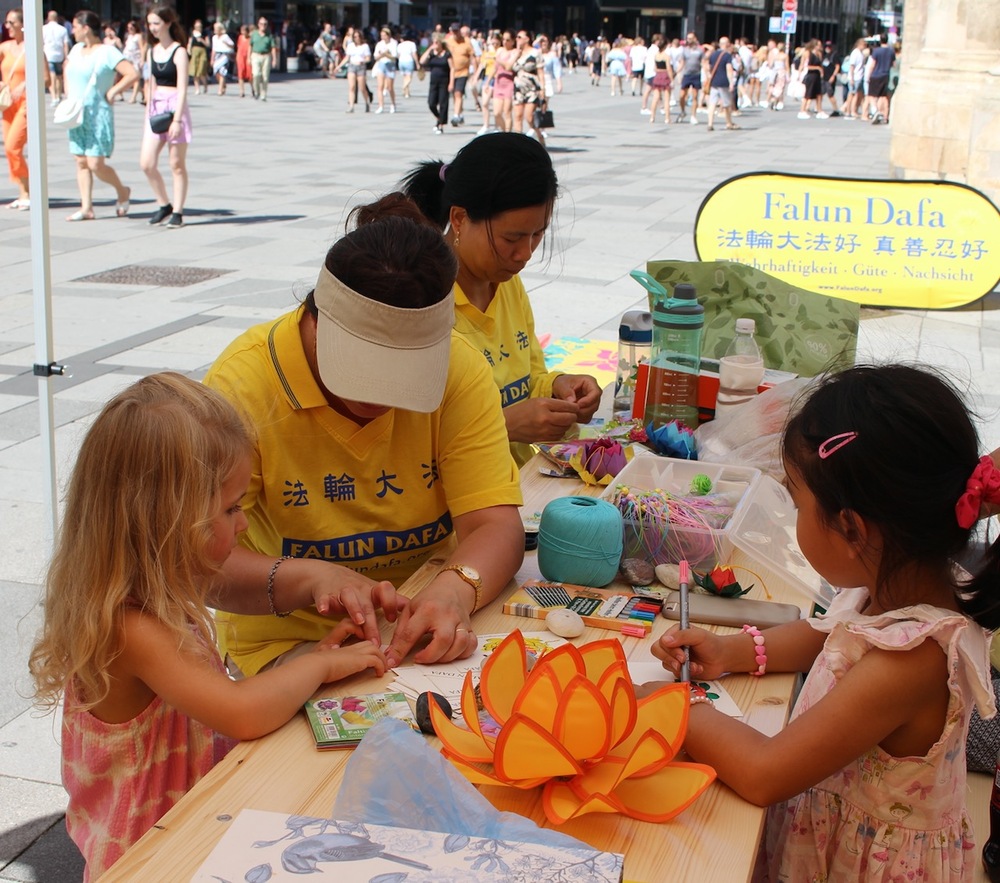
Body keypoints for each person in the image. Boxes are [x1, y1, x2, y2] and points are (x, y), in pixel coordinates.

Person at [28, 373, 388, 882]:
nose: (243, 524)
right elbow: (239, 712)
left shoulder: (157, 600)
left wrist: (310, 665)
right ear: (167, 520)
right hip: (151, 860)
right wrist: (321, 663)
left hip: (192, 824)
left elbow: (215, 699)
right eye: (230, 508)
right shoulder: (130, 628)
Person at [650, 364, 998, 881]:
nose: (793, 515)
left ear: (851, 527)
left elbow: (765, 773)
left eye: (796, 500)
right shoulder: (905, 585)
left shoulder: (911, 662)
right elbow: (829, 636)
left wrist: (674, 708)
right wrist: (731, 652)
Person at [203, 194, 524, 678]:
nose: (382, 400)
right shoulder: (241, 387)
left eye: (405, 379)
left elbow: (495, 526)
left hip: (423, 626)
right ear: (317, 319)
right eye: (364, 373)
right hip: (288, 641)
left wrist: (453, 590)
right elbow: (199, 565)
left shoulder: (460, 368)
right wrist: (312, 578)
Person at [402, 133, 601, 466]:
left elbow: (528, 379)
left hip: (517, 483)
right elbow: (402, 437)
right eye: (512, 237)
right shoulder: (419, 302)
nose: (525, 254)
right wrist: (503, 425)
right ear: (459, 219)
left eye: (538, 234)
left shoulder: (507, 283)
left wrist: (559, 388)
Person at [63, 11, 137, 222]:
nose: (73, 30)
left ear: (86, 28)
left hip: (98, 114)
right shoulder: (76, 50)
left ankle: (122, 191)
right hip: (77, 114)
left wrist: (113, 91)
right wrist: (68, 94)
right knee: (81, 161)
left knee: (96, 163)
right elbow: (67, 69)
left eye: (76, 26)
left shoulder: (107, 52)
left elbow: (131, 73)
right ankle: (86, 207)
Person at [141, 5, 190, 229]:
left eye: (157, 24)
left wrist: (178, 120)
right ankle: (164, 204)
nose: (153, 29)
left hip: (174, 108)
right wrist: (148, 110)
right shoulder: (152, 50)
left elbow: (182, 88)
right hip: (156, 109)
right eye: (150, 24)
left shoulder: (179, 51)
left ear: (168, 23)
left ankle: (178, 211)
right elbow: (150, 82)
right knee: (147, 163)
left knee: (176, 163)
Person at [0, 8, 28, 210]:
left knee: (12, 146)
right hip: (8, 104)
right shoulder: (5, 47)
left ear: (23, 24)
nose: (7, 26)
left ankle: (28, 191)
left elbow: (44, 77)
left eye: (12, 23)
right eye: (6, 23)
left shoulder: (33, 48)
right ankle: (23, 192)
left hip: (26, 104)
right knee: (10, 151)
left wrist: (24, 85)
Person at [511, 29, 545, 143]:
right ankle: (517, 142)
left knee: (529, 116)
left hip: (532, 87)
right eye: (516, 37)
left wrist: (542, 89)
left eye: (520, 37)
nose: (517, 39)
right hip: (518, 87)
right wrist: (516, 54)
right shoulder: (516, 53)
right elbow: (508, 67)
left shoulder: (535, 53)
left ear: (527, 39)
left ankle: (540, 136)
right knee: (517, 116)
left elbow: (540, 72)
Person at [420, 33, 452, 134]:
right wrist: (429, 49)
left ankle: (441, 125)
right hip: (433, 82)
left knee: (443, 103)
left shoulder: (447, 54)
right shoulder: (432, 54)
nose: (435, 44)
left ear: (441, 43)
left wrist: (451, 82)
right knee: (431, 103)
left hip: (444, 81)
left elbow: (453, 68)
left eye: (436, 42)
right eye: (433, 42)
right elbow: (422, 61)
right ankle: (439, 118)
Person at [335, 27, 371, 113]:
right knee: (351, 87)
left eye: (358, 36)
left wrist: (362, 61)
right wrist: (339, 66)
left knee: (362, 88)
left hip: (361, 67)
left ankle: (367, 102)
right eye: (355, 37)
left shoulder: (365, 46)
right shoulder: (351, 46)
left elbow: (368, 58)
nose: (357, 38)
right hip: (352, 66)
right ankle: (351, 106)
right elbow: (347, 57)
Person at [705, 36, 737, 131]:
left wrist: (709, 76)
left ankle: (710, 123)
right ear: (727, 44)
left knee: (712, 103)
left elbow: (708, 67)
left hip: (714, 81)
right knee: (727, 103)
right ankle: (728, 122)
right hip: (723, 82)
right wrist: (731, 82)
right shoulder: (727, 55)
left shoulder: (713, 54)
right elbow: (729, 69)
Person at [864, 33, 896, 125]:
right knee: (884, 96)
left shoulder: (876, 51)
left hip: (876, 75)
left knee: (872, 95)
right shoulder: (891, 51)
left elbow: (872, 64)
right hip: (885, 75)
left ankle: (875, 111)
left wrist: (868, 75)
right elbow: (893, 64)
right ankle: (886, 117)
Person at [444, 22, 471, 126]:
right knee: (455, 96)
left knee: (458, 93)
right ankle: (460, 113)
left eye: (457, 31)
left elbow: (472, 57)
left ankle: (455, 116)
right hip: (451, 72)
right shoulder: (447, 42)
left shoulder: (466, 42)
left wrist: (474, 72)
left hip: (463, 72)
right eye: (453, 31)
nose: (455, 33)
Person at [42, 10, 69, 106]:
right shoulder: (63, 29)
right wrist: (66, 57)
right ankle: (58, 95)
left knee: (51, 75)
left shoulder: (43, 28)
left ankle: (54, 96)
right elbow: (65, 44)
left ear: (48, 18)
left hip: (48, 54)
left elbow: (41, 42)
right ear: (57, 18)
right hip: (59, 55)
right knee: (59, 76)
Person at [676, 32, 704, 124]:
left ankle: (693, 116)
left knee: (695, 96)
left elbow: (703, 62)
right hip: (687, 74)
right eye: (688, 38)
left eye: (691, 38)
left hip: (696, 74)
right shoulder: (684, 50)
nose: (689, 40)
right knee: (682, 96)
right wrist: (676, 73)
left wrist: (707, 74)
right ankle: (683, 111)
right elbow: (682, 63)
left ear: (695, 39)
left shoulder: (700, 50)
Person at [491, 30, 516, 132]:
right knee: (496, 113)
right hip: (498, 83)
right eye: (504, 39)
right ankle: (504, 131)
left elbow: (509, 66)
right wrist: (488, 82)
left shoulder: (514, 52)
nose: (505, 42)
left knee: (507, 112)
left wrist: (498, 59)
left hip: (509, 83)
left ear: (513, 41)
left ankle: (508, 133)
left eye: (508, 40)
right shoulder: (500, 50)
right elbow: (494, 68)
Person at [249, 16, 278, 102]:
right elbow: (250, 46)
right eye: (261, 24)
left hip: (266, 56)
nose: (263, 26)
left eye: (265, 24)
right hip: (255, 55)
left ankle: (263, 94)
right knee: (256, 74)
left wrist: (274, 59)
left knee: (265, 77)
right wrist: (248, 57)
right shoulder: (254, 34)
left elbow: (273, 48)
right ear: (258, 24)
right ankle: (257, 91)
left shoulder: (269, 35)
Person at [646, 35, 671, 126]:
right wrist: (671, 79)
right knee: (666, 98)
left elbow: (655, 68)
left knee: (655, 97)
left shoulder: (656, 56)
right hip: (665, 76)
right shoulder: (666, 56)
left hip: (657, 76)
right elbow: (668, 68)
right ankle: (667, 118)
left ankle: (652, 117)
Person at [372, 26, 397, 114]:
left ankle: (393, 104)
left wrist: (386, 54)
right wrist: (383, 55)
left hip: (390, 65)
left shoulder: (393, 43)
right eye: (381, 35)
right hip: (381, 64)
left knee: (390, 88)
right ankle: (380, 106)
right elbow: (376, 57)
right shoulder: (379, 44)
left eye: (384, 35)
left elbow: (394, 57)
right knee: (380, 86)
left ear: (388, 35)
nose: (382, 37)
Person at [122, 19, 145, 104]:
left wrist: (142, 59)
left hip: (136, 59)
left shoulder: (138, 36)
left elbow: (142, 48)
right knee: (131, 78)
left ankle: (134, 97)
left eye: (131, 28)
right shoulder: (129, 36)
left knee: (136, 78)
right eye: (128, 28)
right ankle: (143, 92)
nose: (129, 29)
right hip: (128, 58)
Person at [210, 22, 234, 96]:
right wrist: (212, 59)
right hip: (217, 55)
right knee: (217, 73)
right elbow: (213, 49)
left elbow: (232, 45)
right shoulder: (214, 38)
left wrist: (226, 43)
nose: (215, 30)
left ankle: (220, 89)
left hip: (224, 55)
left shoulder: (225, 36)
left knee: (222, 72)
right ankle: (223, 84)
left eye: (216, 29)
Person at [187, 19, 209, 95]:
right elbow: (189, 42)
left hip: (202, 51)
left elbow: (208, 44)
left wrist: (201, 40)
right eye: (196, 27)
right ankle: (197, 88)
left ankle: (205, 85)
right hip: (194, 51)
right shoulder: (192, 33)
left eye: (199, 26)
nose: (198, 28)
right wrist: (189, 50)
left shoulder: (204, 33)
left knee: (201, 70)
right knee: (194, 71)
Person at [396, 32, 418, 98]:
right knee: (409, 77)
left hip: (401, 61)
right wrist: (417, 62)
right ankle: (404, 87)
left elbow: (398, 55)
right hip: (409, 61)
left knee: (405, 77)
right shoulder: (412, 44)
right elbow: (414, 54)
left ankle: (407, 93)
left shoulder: (399, 45)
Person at [235, 23, 252, 97]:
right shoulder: (240, 37)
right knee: (240, 74)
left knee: (250, 75)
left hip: (248, 57)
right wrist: (237, 56)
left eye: (244, 31)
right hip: (241, 57)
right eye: (242, 31)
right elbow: (238, 47)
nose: (243, 32)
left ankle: (253, 89)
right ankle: (242, 91)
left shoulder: (250, 38)